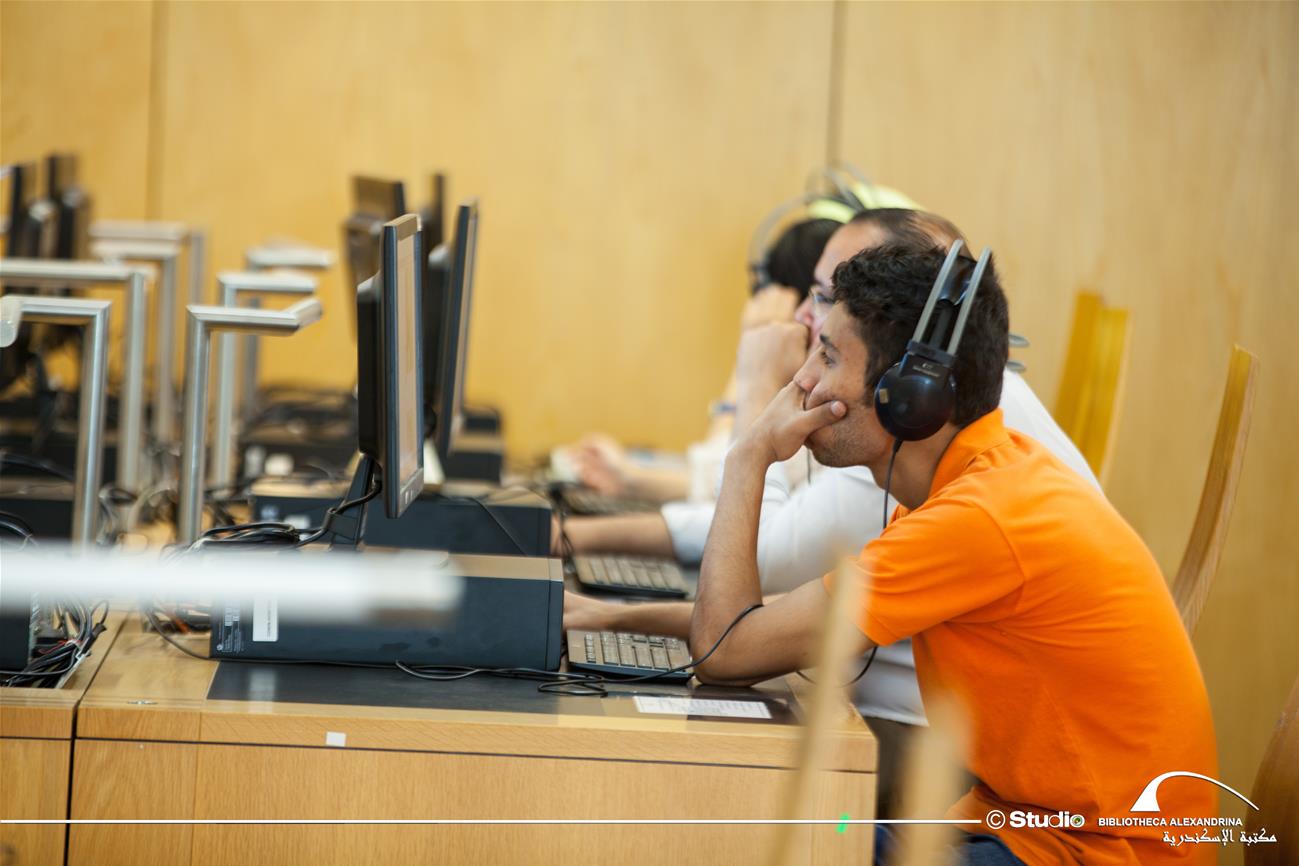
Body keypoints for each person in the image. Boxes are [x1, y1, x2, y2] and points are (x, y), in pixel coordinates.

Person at [686, 242, 1215, 864]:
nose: (802, 381)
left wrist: (748, 457)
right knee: (790, 832)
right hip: (1021, 827)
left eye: (827, 357)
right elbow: (755, 632)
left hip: (1099, 852)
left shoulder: (979, 519)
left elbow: (724, 651)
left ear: (910, 397)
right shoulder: (977, 485)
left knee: (767, 842)